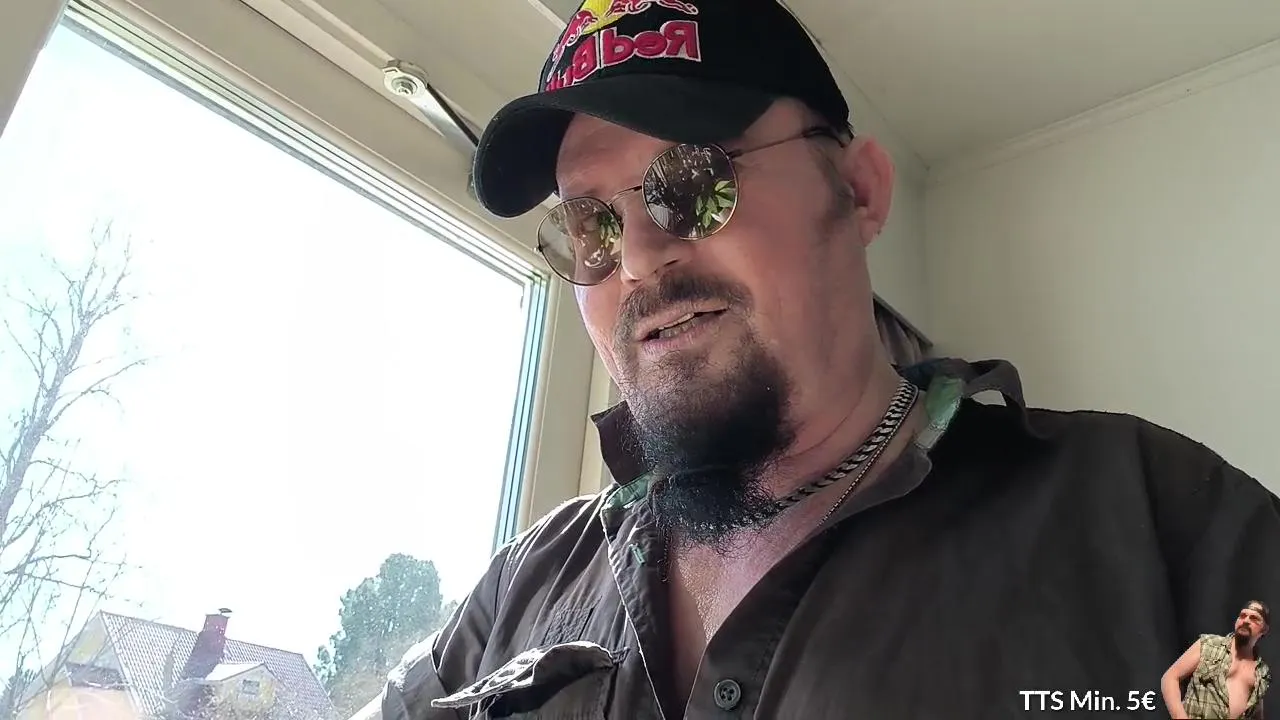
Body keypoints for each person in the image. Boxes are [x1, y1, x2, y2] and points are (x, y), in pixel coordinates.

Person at [369, 0, 1280, 717]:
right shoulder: (524, 583)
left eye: (694, 182)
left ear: (858, 190)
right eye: (590, 225)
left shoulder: (1158, 529)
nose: (638, 258)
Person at [1162, 602, 1272, 719]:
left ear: (1264, 629)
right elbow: (1170, 677)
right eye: (1242, 615)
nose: (1246, 620)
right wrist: (1180, 716)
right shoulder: (1209, 644)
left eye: (1254, 618)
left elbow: (1257, 712)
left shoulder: (1261, 671)